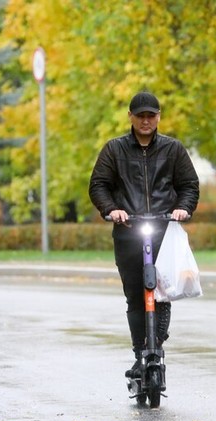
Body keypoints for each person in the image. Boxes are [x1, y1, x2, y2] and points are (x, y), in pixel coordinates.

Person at [89, 91, 200, 377]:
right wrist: (112, 209)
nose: (146, 121)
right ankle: (141, 354)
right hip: (128, 232)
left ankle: (156, 346)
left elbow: (189, 185)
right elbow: (99, 185)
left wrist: (182, 208)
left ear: (159, 117)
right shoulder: (114, 150)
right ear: (131, 117)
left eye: (151, 115)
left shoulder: (173, 150)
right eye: (141, 116)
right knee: (136, 296)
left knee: (161, 293)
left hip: (164, 232)